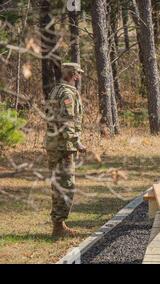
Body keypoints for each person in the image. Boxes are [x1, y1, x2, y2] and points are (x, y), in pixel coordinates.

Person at [44, 62, 85, 237]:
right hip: (63, 146)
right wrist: (77, 142)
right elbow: (67, 121)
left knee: (58, 184)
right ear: (74, 74)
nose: (80, 77)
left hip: (54, 144)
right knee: (67, 185)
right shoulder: (67, 93)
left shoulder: (56, 90)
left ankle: (59, 224)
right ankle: (59, 226)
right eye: (78, 74)